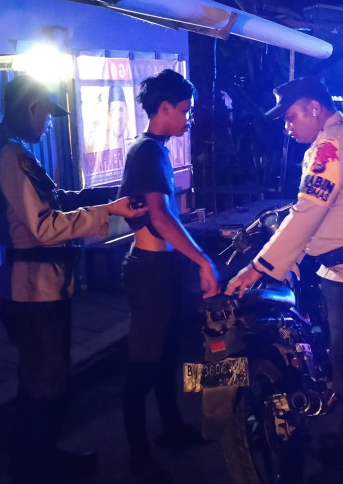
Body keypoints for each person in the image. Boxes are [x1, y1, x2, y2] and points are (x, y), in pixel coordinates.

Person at [226, 77, 343, 484]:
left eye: (290, 116)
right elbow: (321, 213)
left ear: (312, 108)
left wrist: (258, 267)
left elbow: (309, 210)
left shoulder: (335, 143)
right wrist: (285, 254)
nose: (287, 126)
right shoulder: (335, 141)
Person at [0, 74, 147, 484]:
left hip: (37, 287)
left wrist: (106, 196)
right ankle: (36, 468)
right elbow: (44, 226)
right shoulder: (11, 157)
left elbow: (55, 201)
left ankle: (39, 460)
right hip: (34, 291)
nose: (47, 125)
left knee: (41, 379)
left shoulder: (8, 149)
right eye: (46, 116)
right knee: (46, 382)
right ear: (32, 107)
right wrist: (108, 212)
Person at [118, 69, 219, 479]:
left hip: (159, 267)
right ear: (163, 109)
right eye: (184, 110)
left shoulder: (151, 149)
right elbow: (160, 217)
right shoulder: (148, 151)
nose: (188, 118)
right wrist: (202, 260)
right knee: (144, 362)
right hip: (150, 270)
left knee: (166, 355)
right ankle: (138, 452)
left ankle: (172, 428)